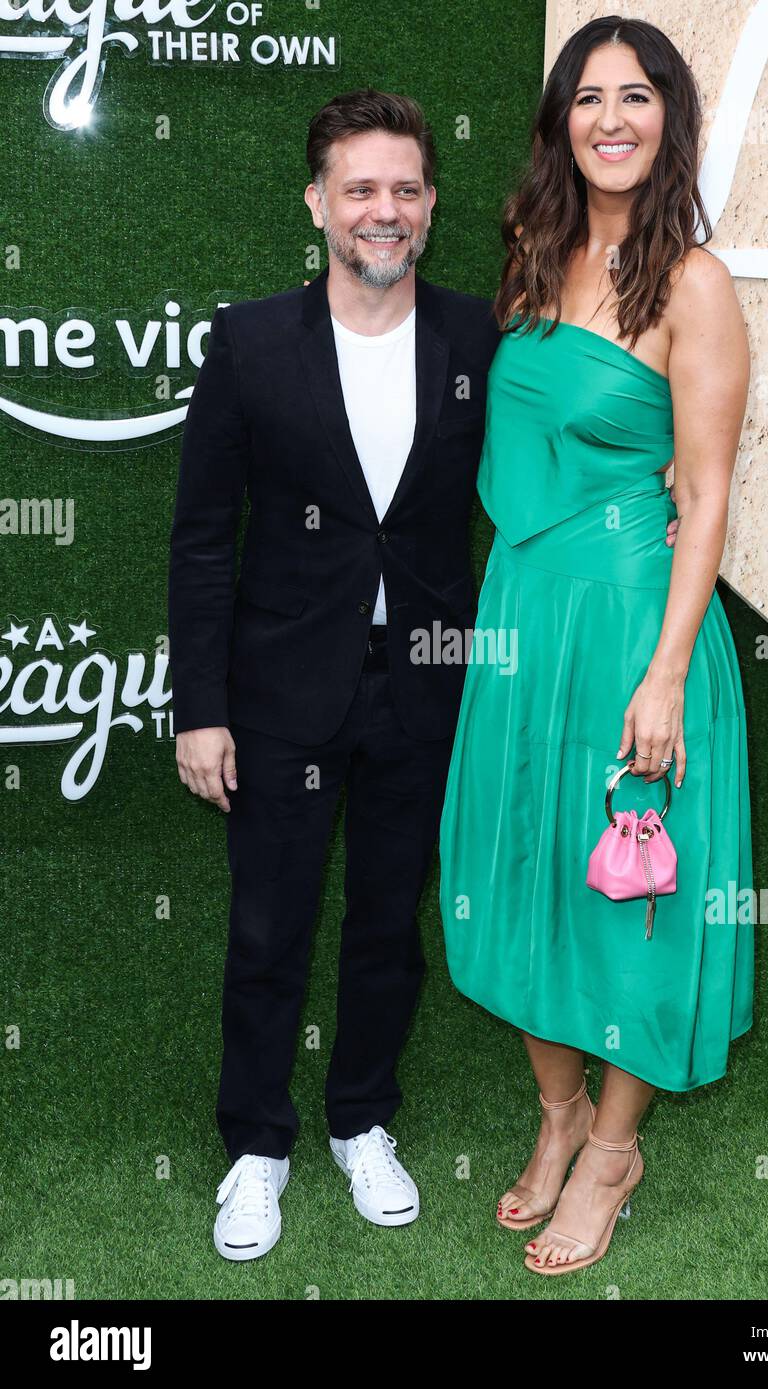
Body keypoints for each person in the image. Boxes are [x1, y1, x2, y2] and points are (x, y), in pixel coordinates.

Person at [438, 16, 754, 1276]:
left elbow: (711, 492)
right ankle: (558, 1113)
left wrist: (667, 671)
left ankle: (613, 1152)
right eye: (588, 97)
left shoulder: (696, 284)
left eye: (637, 96)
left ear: (669, 119)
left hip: (631, 625)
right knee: (519, 861)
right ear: (560, 122)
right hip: (523, 617)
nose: (610, 118)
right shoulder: (533, 252)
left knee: (626, 894)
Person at [167, 89, 505, 1260]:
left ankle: (363, 1120)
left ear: (429, 206)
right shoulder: (250, 339)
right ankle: (257, 1146)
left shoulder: (475, 338)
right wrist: (200, 709)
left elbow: (535, 479)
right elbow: (203, 535)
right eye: (359, 188)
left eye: (405, 188)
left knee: (386, 926)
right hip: (277, 692)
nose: (384, 209)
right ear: (317, 203)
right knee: (268, 928)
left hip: (424, 680)